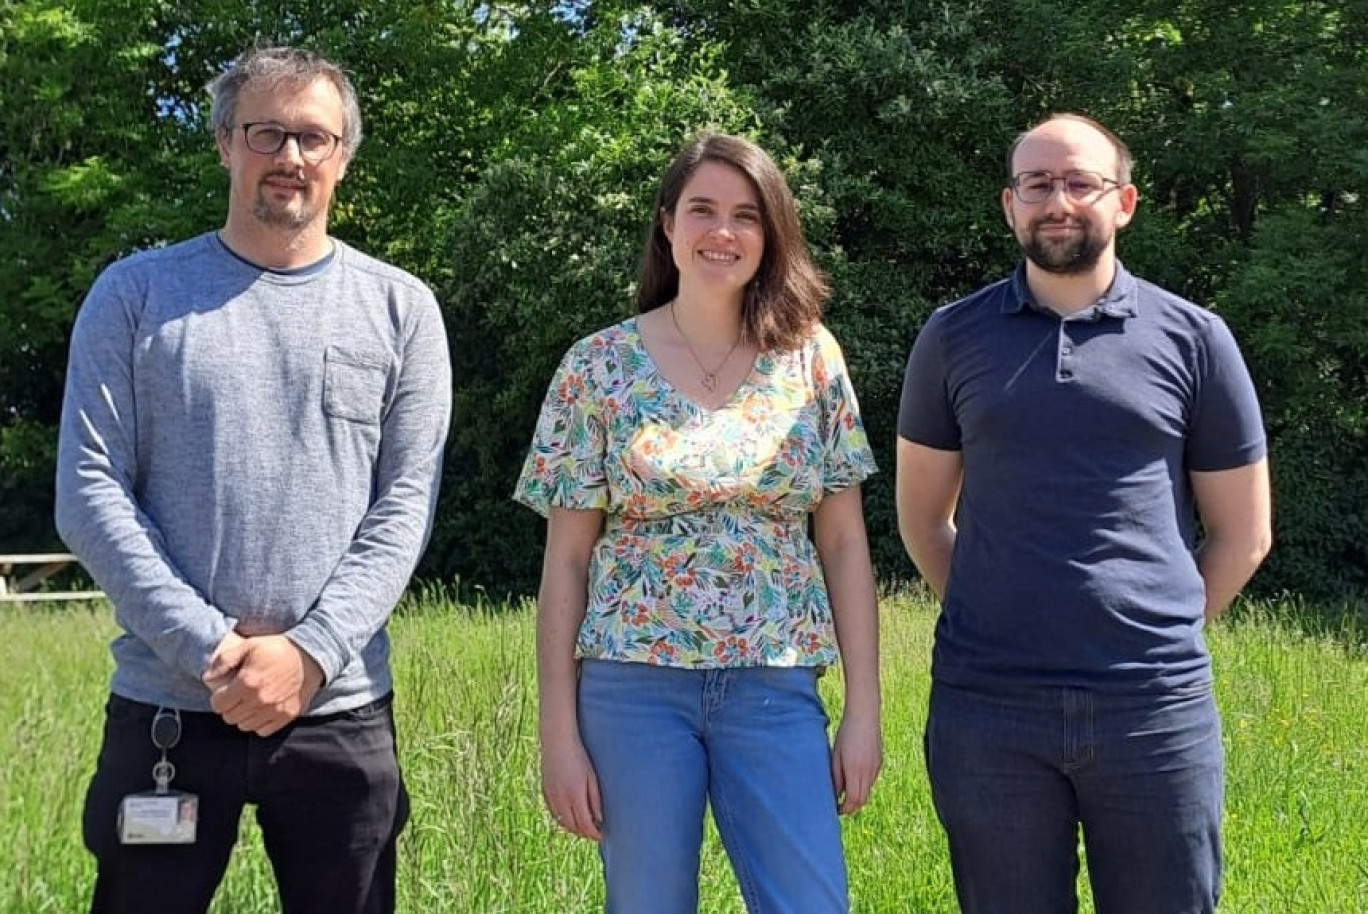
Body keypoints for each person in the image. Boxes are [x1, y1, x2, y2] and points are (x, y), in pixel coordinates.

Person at [54, 44, 452, 914]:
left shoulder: (401, 310)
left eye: (314, 136)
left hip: (341, 714)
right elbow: (88, 493)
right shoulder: (134, 296)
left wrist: (307, 655)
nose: (292, 157)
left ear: (344, 154)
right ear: (226, 144)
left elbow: (403, 508)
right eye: (267, 132)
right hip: (167, 712)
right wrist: (212, 652)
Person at [896, 112, 1273, 914]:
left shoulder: (1197, 340)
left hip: (1153, 707)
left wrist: (1155, 631)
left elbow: (1244, 532)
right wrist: (993, 617)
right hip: (988, 707)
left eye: (1080, 182)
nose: (1057, 200)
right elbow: (924, 519)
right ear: (1009, 205)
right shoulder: (951, 337)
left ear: (1125, 201)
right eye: (1037, 184)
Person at [514, 132, 882, 913]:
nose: (724, 232)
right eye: (703, 210)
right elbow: (568, 563)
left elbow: (845, 543)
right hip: (630, 687)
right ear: (666, 225)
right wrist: (559, 735)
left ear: (770, 233)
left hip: (775, 684)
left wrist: (863, 710)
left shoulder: (811, 358)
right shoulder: (597, 366)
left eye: (746, 215)